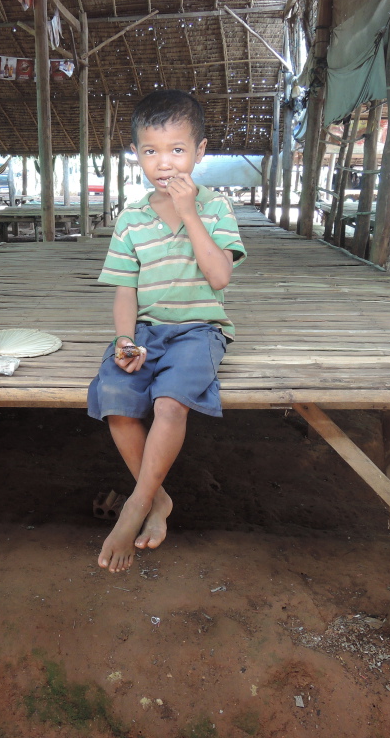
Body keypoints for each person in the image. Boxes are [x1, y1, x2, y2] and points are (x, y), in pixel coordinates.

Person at [87, 90, 247, 573]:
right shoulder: (131, 219)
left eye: (177, 150)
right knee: (113, 396)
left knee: (169, 402)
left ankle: (136, 505)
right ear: (136, 153)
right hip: (148, 332)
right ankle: (158, 499)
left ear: (200, 153)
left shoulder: (216, 209)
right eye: (151, 151)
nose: (164, 163)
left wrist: (191, 212)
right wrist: (124, 339)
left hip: (201, 331)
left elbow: (219, 277)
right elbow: (124, 292)